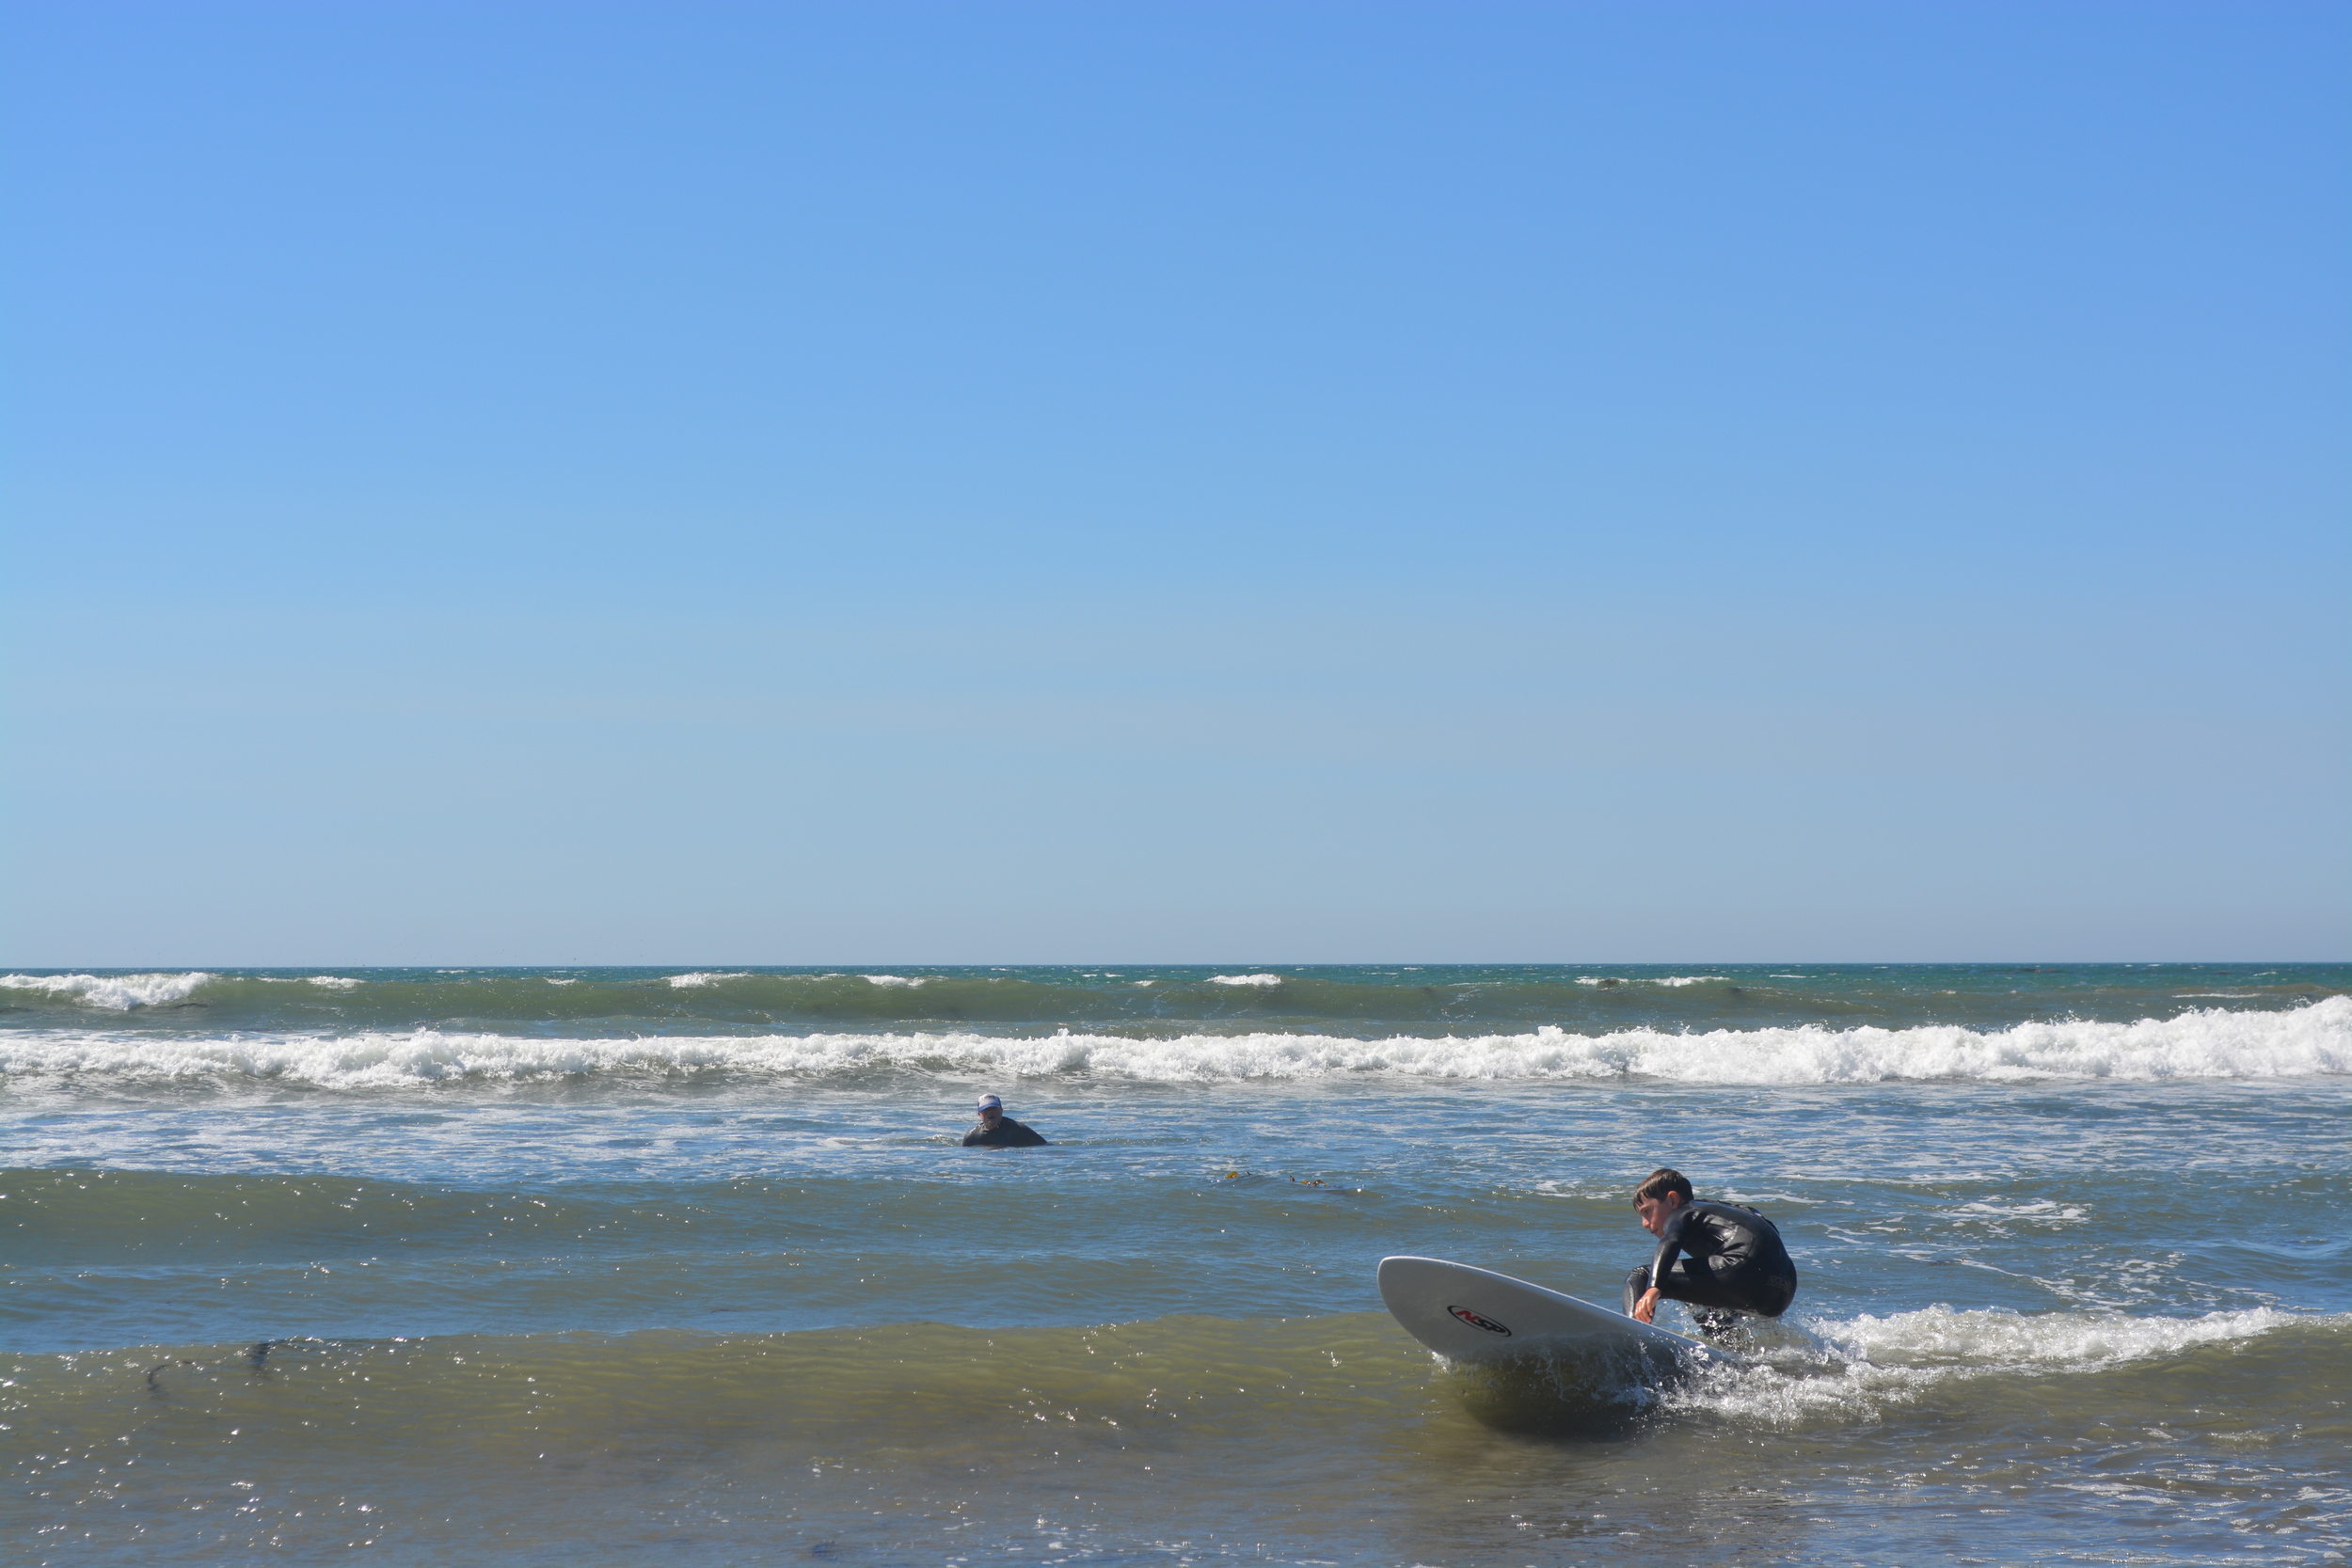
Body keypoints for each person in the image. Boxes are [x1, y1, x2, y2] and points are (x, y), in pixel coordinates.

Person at [1624, 1167, 1797, 1336]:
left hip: (1742, 1270)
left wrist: (1654, 1286)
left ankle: (1630, 1336)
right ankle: (1732, 1350)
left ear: (1672, 1200)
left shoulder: (1683, 1211)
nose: (1644, 1223)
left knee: (1641, 1275)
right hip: (1783, 1290)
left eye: (1647, 1211)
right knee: (1695, 1290)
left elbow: (1671, 1241)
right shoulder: (1724, 1210)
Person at [962, 1093, 1049, 1148]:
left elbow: (1045, 1147)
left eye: (994, 1109)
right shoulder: (971, 1137)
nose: (990, 1113)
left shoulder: (1019, 1130)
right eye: (986, 1110)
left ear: (1001, 1110)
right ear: (979, 1114)